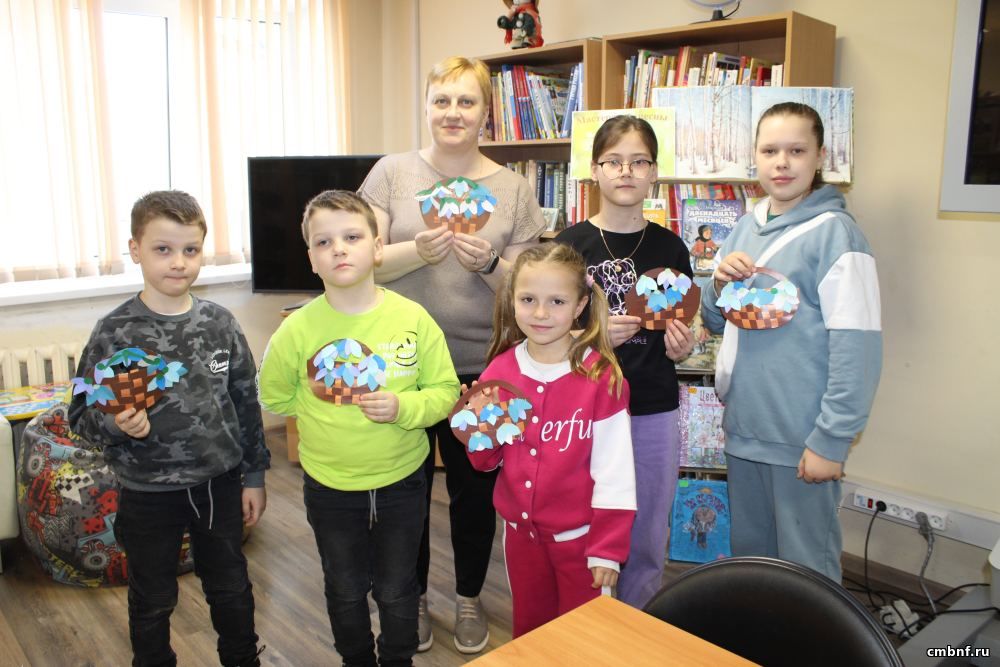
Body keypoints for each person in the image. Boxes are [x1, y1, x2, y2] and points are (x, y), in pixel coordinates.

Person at [358, 56, 545, 653]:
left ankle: (468, 598)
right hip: (403, 366)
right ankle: (410, 598)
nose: (453, 113)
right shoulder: (392, 173)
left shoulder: (513, 189)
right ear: (427, 106)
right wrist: (417, 250)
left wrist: (489, 264)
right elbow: (363, 261)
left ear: (486, 112)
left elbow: (530, 290)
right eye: (442, 100)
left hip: (482, 366)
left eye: (466, 102)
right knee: (404, 491)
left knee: (474, 494)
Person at [257, 190, 459, 667]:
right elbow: (273, 394)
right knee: (344, 588)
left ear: (378, 247)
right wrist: (316, 403)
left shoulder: (411, 318)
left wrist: (403, 406)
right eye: (324, 242)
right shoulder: (297, 328)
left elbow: (445, 391)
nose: (339, 249)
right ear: (312, 259)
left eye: (352, 237)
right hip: (330, 486)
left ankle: (398, 659)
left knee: (397, 587)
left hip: (401, 482)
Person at [69, 190, 270, 667]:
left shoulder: (220, 323)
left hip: (218, 485)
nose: (179, 262)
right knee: (152, 597)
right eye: (163, 249)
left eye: (190, 249)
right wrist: (117, 424)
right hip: (146, 491)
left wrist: (255, 476)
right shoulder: (113, 331)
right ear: (135, 250)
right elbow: (79, 416)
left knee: (230, 586)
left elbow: (246, 402)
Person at [701, 102, 882, 581]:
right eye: (770, 150)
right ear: (755, 157)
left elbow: (858, 349)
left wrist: (831, 440)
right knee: (752, 564)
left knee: (806, 574)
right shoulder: (745, 226)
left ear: (820, 156)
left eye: (796, 151)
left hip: (801, 439)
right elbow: (715, 321)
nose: (782, 162)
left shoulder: (837, 235)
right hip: (745, 430)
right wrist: (717, 282)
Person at [556, 115, 694, 609]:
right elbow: (543, 330)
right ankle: (584, 619)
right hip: (583, 408)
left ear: (654, 172)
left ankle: (635, 621)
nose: (626, 171)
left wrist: (683, 346)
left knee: (648, 529)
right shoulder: (568, 246)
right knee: (582, 521)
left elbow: (684, 328)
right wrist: (590, 336)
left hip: (651, 407)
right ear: (594, 170)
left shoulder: (670, 247)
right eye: (613, 161)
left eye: (639, 162)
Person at [464, 243, 636, 637]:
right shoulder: (499, 370)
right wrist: (478, 428)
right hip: (520, 540)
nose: (540, 313)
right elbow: (486, 463)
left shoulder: (602, 378)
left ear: (579, 306)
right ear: (512, 300)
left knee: (585, 639)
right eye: (528, 300)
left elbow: (615, 471)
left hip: (584, 543)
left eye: (556, 301)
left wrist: (607, 549)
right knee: (531, 634)